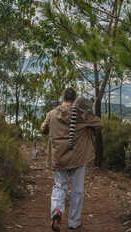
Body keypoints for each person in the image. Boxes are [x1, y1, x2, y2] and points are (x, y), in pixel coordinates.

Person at [40, 87, 103, 231]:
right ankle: (74, 221)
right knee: (77, 190)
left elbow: (43, 129)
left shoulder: (52, 114)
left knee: (59, 186)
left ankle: (57, 211)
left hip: (59, 158)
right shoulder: (82, 115)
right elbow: (99, 125)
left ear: (62, 99)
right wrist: (87, 123)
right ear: (75, 100)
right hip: (78, 157)